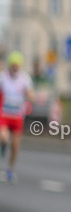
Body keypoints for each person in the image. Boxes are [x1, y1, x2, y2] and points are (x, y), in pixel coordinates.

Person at [0, 52, 35, 183]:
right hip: (4, 114)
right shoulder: (3, 78)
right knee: (4, 137)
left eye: (17, 65)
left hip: (17, 117)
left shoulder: (24, 78)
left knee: (15, 146)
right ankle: (3, 144)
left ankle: (10, 170)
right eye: (13, 65)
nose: (15, 67)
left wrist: (30, 96)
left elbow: (31, 94)